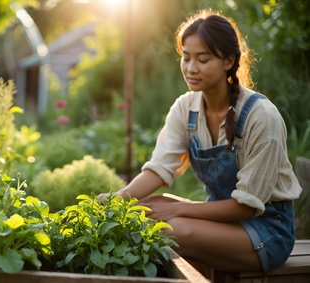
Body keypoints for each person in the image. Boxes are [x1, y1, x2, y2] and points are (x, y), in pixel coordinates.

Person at [98, 10, 302, 273]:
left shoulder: (261, 116)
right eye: (186, 57)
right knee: (151, 206)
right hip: (224, 223)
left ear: (228, 61)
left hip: (266, 230)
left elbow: (246, 206)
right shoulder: (186, 108)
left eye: (203, 59)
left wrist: (179, 210)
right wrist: (116, 200)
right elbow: (160, 169)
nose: (191, 68)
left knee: (174, 228)